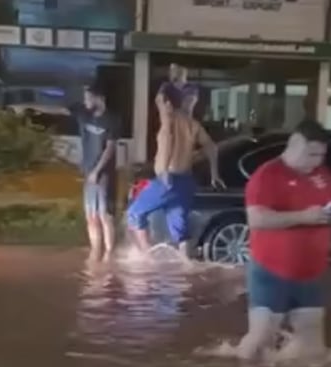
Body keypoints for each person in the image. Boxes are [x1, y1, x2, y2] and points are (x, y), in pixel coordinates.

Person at [236, 119, 331, 360]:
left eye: (321, 155)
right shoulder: (267, 176)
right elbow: (257, 219)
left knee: (312, 349)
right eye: (311, 154)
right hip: (271, 273)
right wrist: (303, 216)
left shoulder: (322, 174)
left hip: (310, 275)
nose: (316, 161)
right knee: (261, 339)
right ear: (294, 145)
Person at [126, 85, 224, 257]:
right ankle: (185, 268)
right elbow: (212, 148)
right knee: (180, 231)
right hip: (185, 182)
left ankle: (145, 258)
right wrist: (215, 174)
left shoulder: (168, 118)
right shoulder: (194, 125)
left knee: (134, 214)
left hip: (167, 180)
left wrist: (168, 84)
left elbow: (159, 99)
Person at [74, 83, 118, 262]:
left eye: (88, 97)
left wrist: (97, 171)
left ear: (99, 98)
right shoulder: (84, 115)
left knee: (104, 215)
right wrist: (29, 106)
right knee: (90, 216)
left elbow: (110, 148)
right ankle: (95, 252)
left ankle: (109, 255)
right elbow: (59, 109)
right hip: (88, 173)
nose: (85, 101)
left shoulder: (112, 119)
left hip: (103, 175)